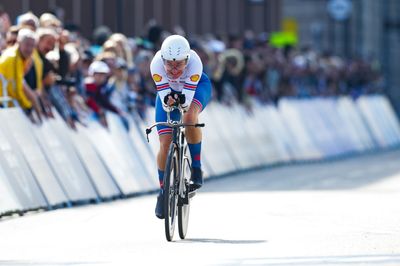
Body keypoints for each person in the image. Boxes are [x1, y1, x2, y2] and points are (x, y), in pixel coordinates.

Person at [150, 35, 212, 219]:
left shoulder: (195, 63)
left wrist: (178, 100)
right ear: (162, 60)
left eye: (178, 65)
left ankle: (196, 168)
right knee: (164, 143)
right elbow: (166, 103)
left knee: (189, 116)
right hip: (168, 92)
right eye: (169, 64)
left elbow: (185, 104)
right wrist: (169, 100)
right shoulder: (155, 65)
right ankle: (162, 191)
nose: (174, 69)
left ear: (187, 60)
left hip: (196, 88)